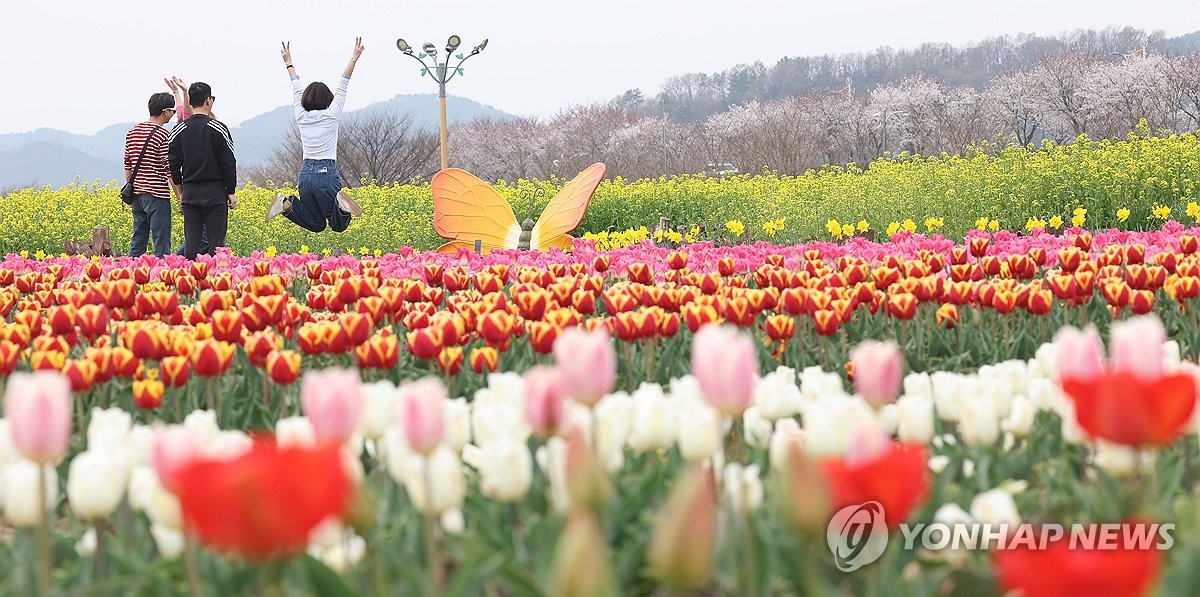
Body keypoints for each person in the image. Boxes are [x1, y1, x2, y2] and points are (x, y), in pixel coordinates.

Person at [264, 38, 364, 230]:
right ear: (329, 99)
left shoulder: (301, 115)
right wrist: (354, 58)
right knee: (338, 225)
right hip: (326, 173)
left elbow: (296, 87)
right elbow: (343, 84)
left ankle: (286, 204)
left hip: (305, 175)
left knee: (317, 224)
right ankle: (341, 207)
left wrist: (289, 63)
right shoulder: (332, 114)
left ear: (306, 99)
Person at [167, 82, 238, 259]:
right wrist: (231, 191)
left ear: (190, 101)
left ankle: (189, 281)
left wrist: (181, 192)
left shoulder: (178, 130)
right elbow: (228, 162)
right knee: (216, 244)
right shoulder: (219, 128)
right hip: (215, 193)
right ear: (208, 101)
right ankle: (215, 282)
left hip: (190, 193)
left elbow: (173, 165)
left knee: (192, 242)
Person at [124, 92, 181, 257]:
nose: (173, 115)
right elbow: (168, 168)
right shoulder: (163, 135)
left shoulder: (132, 132)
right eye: (173, 111)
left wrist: (132, 186)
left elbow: (127, 163)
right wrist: (179, 195)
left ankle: (130, 275)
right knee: (161, 244)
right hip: (157, 195)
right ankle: (162, 278)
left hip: (137, 194)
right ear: (166, 112)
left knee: (138, 240)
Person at [164, 77, 211, 256]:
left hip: (192, 192)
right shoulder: (186, 130)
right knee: (201, 238)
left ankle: (181, 263)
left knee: (195, 237)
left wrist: (179, 92)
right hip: (198, 192)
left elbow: (184, 113)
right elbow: (187, 115)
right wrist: (183, 92)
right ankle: (176, 262)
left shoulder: (180, 132)